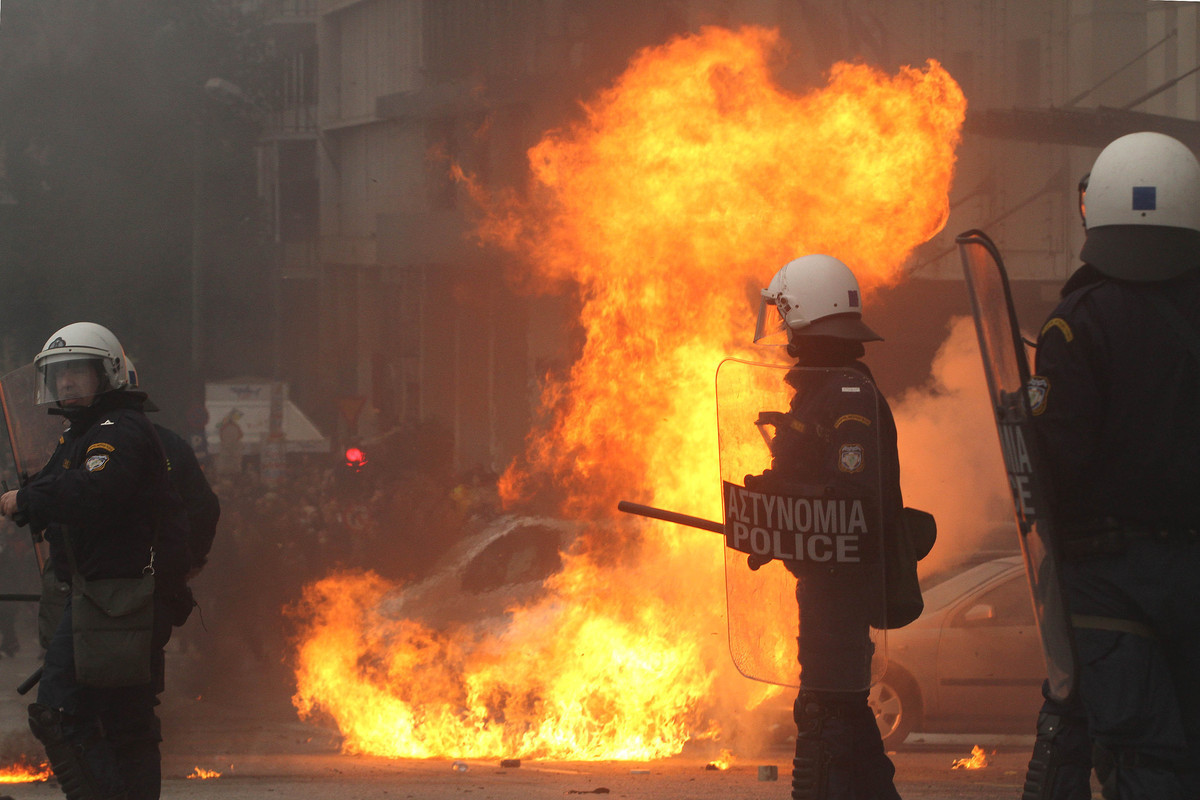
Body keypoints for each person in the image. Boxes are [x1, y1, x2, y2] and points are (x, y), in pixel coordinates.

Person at [1022, 131, 1200, 799]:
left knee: (1139, 759)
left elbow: (1054, 468)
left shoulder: (1077, 323)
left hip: (1109, 582)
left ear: (1096, 210)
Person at [0, 322, 191, 800]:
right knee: (128, 721)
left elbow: (94, 491)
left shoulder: (116, 429)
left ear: (106, 375)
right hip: (107, 597)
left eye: (77, 373)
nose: (65, 383)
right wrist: (31, 499)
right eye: (59, 374)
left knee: (62, 714)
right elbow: (51, 486)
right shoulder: (81, 432)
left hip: (114, 597)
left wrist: (24, 501)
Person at [750, 254, 906, 800]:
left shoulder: (845, 397)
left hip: (842, 590)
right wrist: (766, 518)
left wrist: (784, 500)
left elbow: (851, 502)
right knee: (843, 719)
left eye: (786, 315)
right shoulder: (821, 390)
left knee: (827, 719)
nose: (782, 329)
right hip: (825, 585)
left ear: (805, 316)